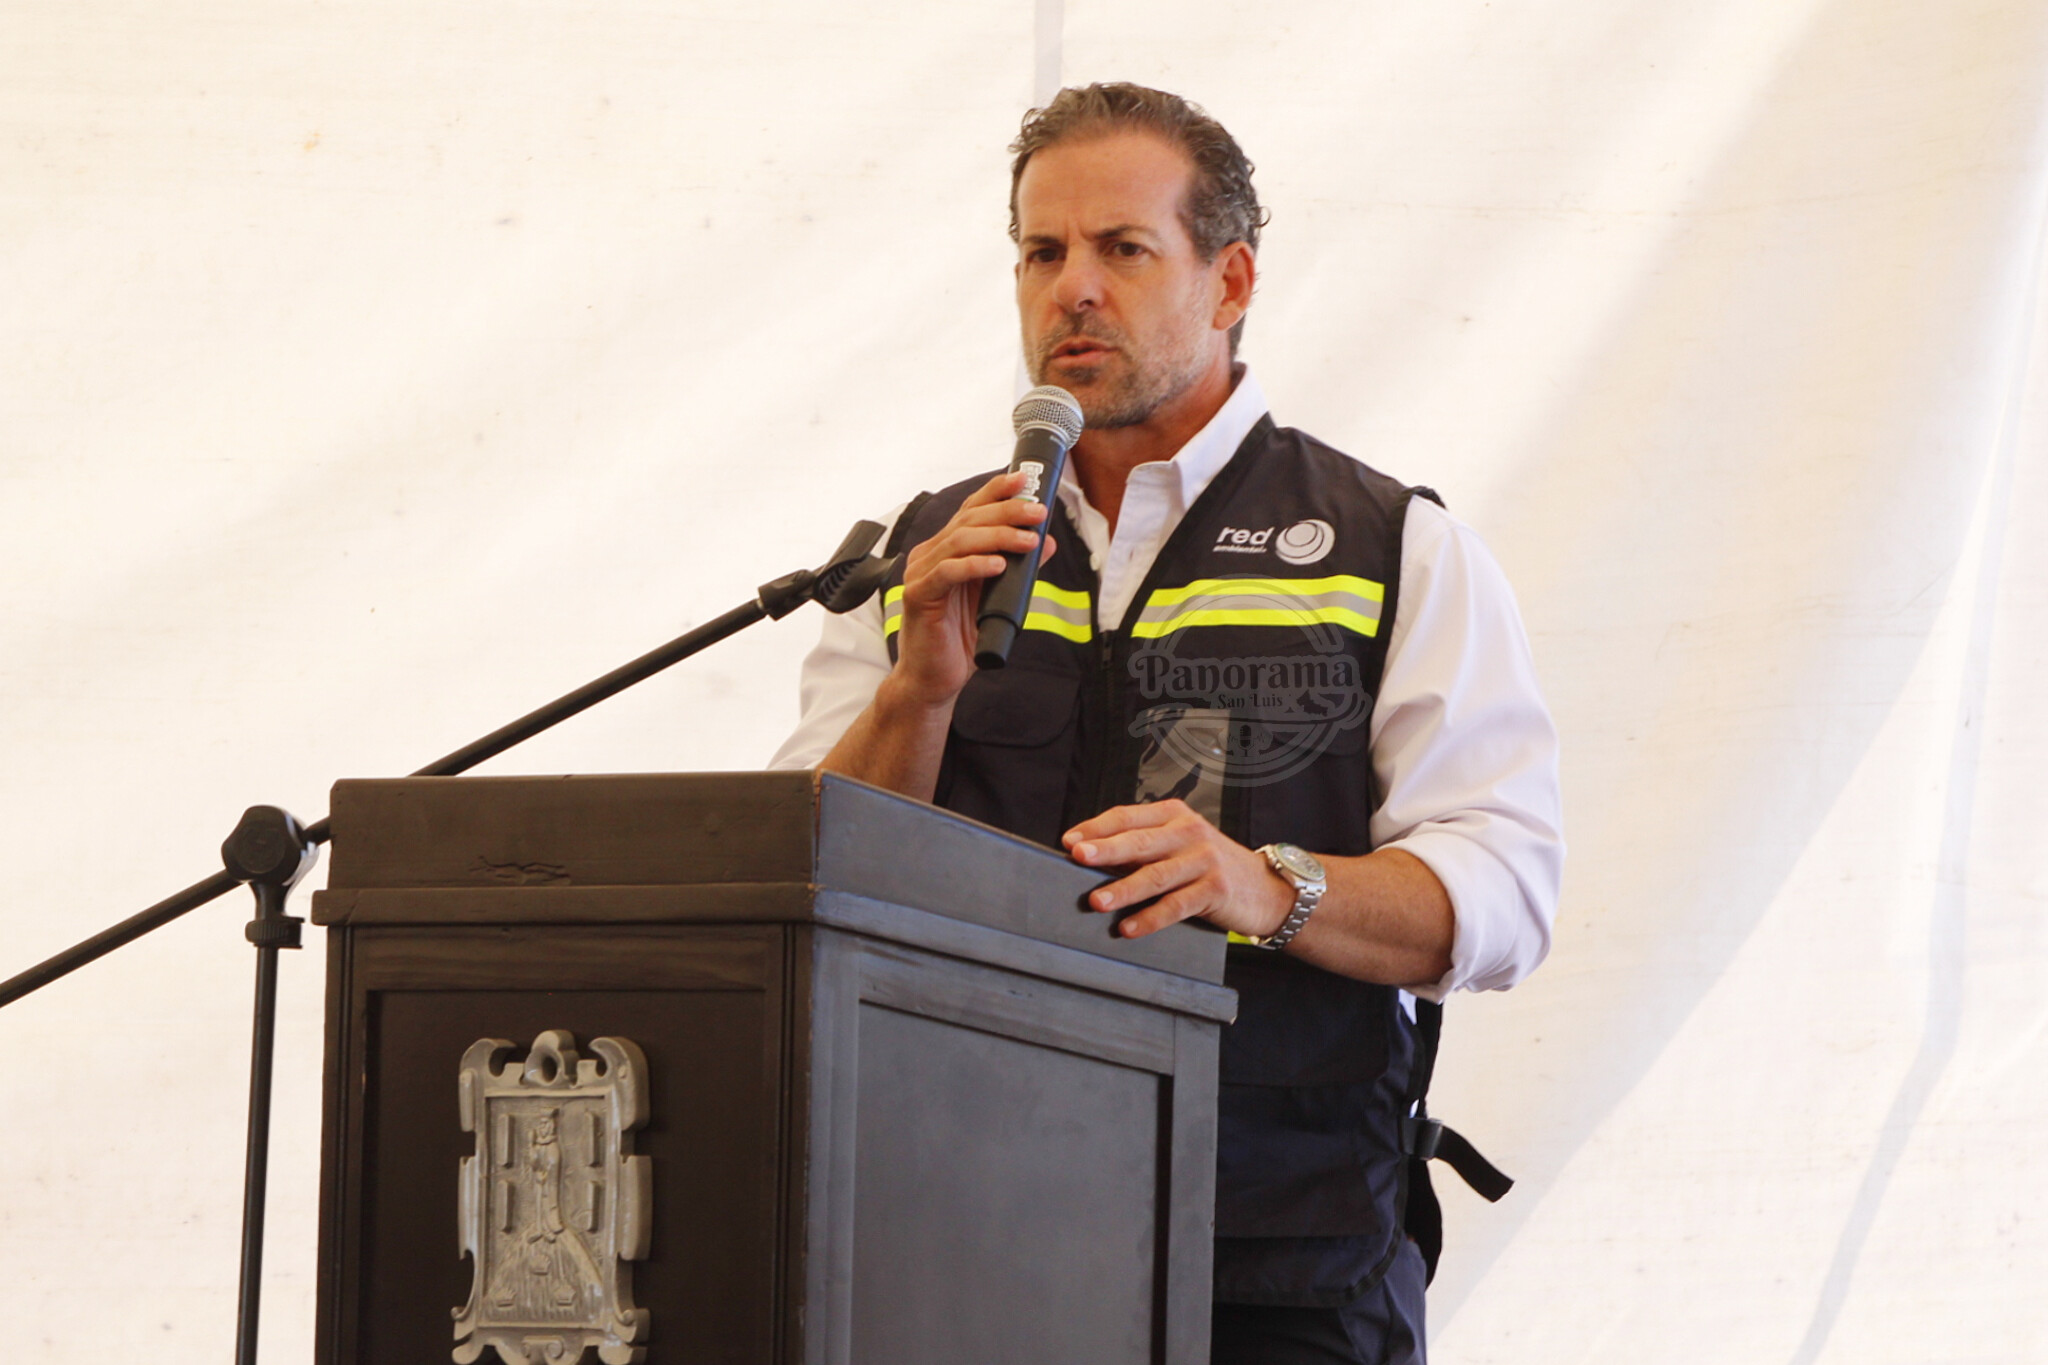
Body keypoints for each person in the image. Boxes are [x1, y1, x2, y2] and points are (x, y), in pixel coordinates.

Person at [771, 83, 1563, 1365]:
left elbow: (1505, 894)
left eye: (1122, 249)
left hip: (1276, 1265)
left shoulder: (1392, 547)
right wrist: (917, 693)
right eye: (1041, 252)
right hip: (948, 1236)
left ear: (1229, 279)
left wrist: (1266, 886)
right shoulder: (923, 556)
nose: (1071, 290)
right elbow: (799, 877)